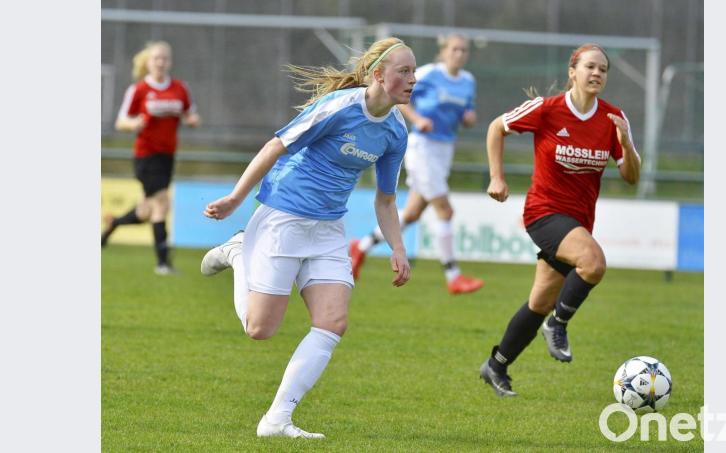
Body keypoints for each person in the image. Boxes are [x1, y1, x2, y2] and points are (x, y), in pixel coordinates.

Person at [199, 37, 414, 438]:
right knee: (259, 329)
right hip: (284, 216)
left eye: (414, 72)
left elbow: (386, 200)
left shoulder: (396, 132)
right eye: (404, 71)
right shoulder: (340, 108)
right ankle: (237, 252)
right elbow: (276, 145)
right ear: (378, 75)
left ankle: (277, 420)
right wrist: (235, 197)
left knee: (333, 321)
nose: (412, 79)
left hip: (328, 227)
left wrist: (398, 249)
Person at [478, 44, 641, 397]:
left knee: (539, 301)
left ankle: (496, 365)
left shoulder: (614, 118)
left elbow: (631, 177)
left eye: (603, 69)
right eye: (590, 67)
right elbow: (496, 127)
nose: (597, 73)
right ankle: (558, 325)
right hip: (544, 212)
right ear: (573, 71)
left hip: (579, 221)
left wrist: (626, 144)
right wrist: (497, 177)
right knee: (593, 263)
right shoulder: (547, 109)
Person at [349, 34, 484, 295]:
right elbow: (400, 99)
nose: (460, 54)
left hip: (445, 149)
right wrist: (418, 118)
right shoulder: (428, 74)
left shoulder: (468, 81)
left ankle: (360, 246)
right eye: (455, 49)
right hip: (423, 148)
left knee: (410, 214)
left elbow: (468, 111)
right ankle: (453, 276)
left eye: (464, 50)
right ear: (444, 51)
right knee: (445, 211)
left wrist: (468, 117)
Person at [101, 41, 201, 275]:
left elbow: (191, 114)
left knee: (146, 212)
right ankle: (163, 263)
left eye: (165, 58)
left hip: (167, 156)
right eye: (156, 58)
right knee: (162, 202)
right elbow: (121, 122)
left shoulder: (180, 88)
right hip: (145, 155)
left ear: (170, 62)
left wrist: (193, 120)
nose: (161, 62)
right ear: (148, 62)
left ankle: (113, 225)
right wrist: (135, 123)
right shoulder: (138, 90)